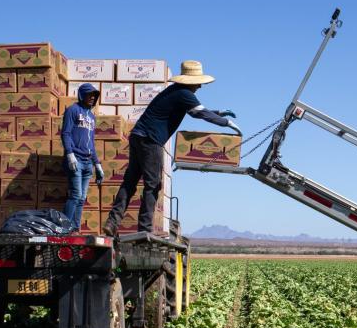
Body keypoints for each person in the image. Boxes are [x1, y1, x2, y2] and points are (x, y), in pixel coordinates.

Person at [103, 60, 240, 236]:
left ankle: (112, 222)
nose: (200, 86)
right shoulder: (184, 93)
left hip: (138, 136)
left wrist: (219, 113)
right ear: (191, 81)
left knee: (130, 182)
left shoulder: (175, 91)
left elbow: (194, 111)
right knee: (153, 185)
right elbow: (200, 113)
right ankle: (144, 230)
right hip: (151, 140)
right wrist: (226, 123)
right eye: (198, 83)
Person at [60, 83, 105, 231]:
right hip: (76, 160)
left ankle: (75, 228)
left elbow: (91, 142)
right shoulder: (73, 110)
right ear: (82, 95)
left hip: (87, 163)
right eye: (89, 94)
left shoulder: (91, 117)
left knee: (81, 199)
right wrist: (69, 154)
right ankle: (65, 228)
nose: (92, 97)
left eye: (94, 95)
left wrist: (97, 164)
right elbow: (65, 133)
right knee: (75, 195)